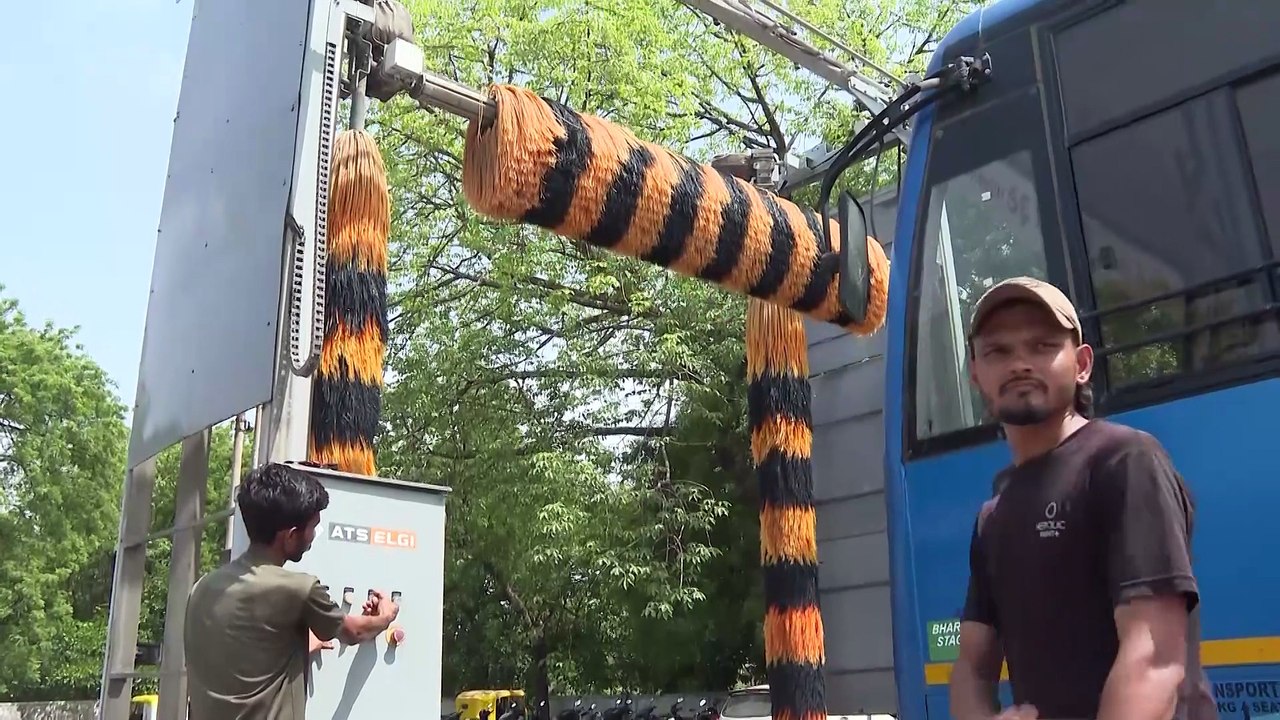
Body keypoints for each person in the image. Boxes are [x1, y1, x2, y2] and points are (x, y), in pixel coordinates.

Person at [947, 277, 1217, 720]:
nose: (1019, 364)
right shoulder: (993, 516)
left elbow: (1154, 659)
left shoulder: (1125, 460)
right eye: (999, 351)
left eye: (1042, 346)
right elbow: (973, 669)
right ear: (975, 371)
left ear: (1082, 364)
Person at [185, 462, 400, 719]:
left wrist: (299, 647)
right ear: (290, 536)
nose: (314, 535)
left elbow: (241, 656)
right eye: (313, 527)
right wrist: (385, 616)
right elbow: (353, 632)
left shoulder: (202, 588)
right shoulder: (299, 589)